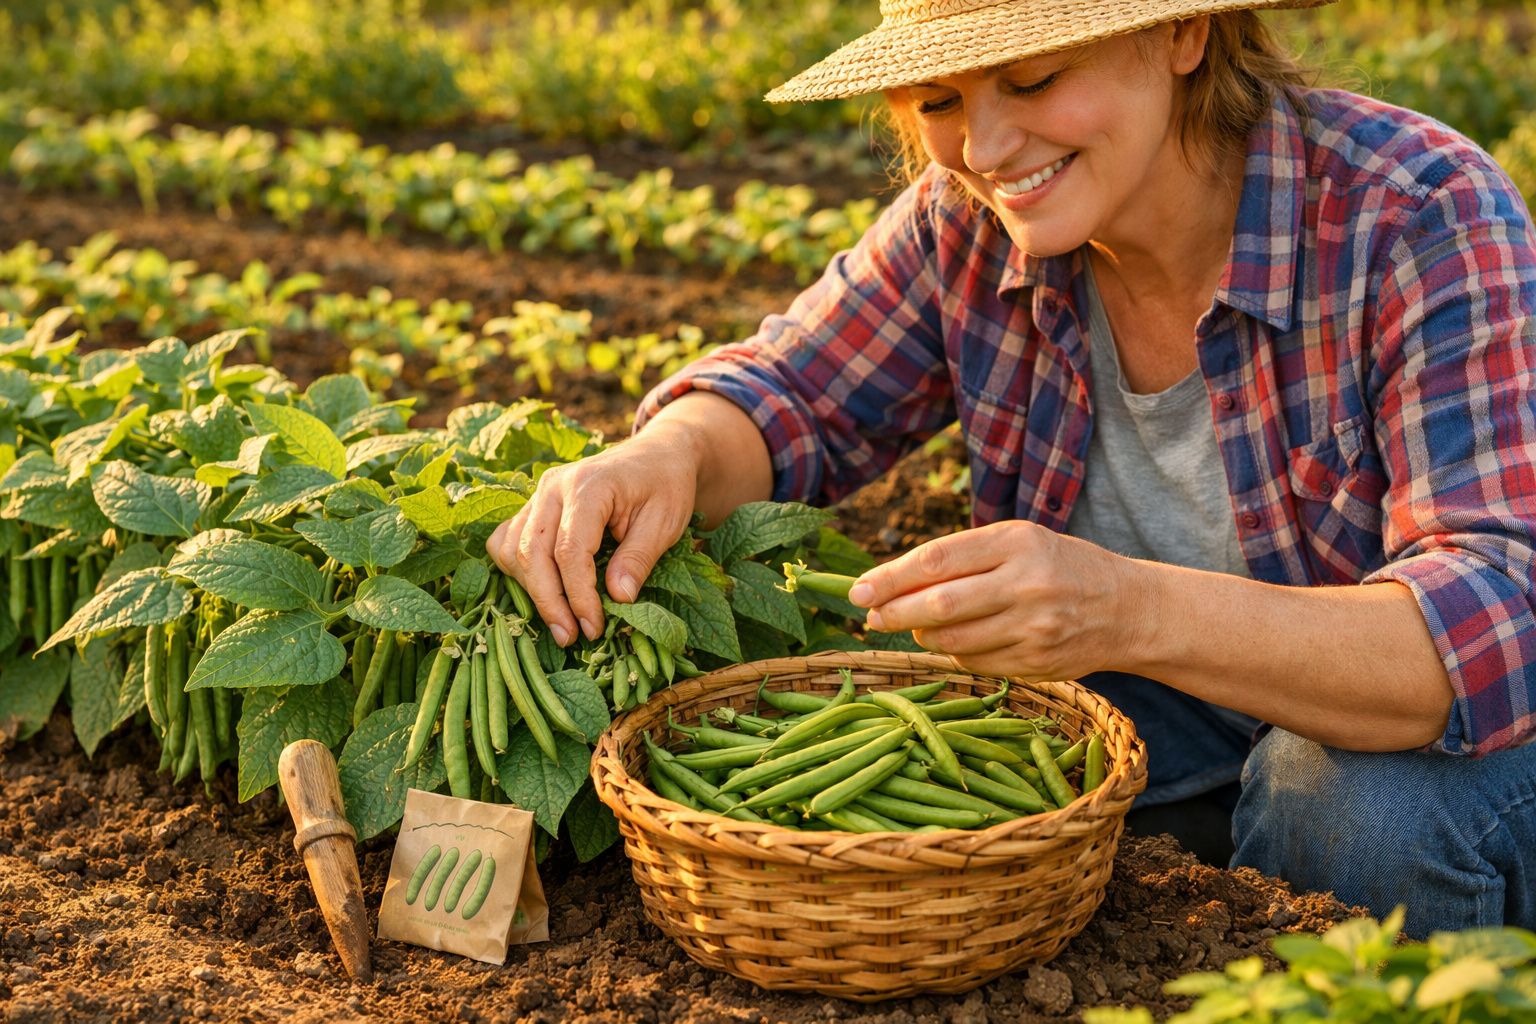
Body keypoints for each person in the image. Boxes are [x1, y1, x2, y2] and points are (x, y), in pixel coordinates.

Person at [488, 0, 1536, 936]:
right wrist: (664, 453)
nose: (985, 146)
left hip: (1474, 745)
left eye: (1035, 79)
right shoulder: (974, 226)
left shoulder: (1415, 214)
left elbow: (1488, 625)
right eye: (940, 98)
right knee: (1008, 747)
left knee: (1349, 812)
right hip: (1188, 709)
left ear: (1182, 33)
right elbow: (792, 396)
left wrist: (1124, 607)